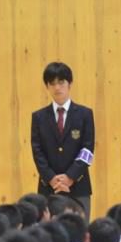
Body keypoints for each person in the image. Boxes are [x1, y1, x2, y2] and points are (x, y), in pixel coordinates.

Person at [30, 62, 95, 217]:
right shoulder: (39, 117)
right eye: (52, 83)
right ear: (47, 86)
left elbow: (87, 149)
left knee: (80, 233)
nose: (57, 88)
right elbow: (37, 151)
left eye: (61, 82)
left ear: (69, 84)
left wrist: (70, 177)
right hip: (49, 187)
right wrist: (52, 178)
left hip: (78, 186)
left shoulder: (84, 114)